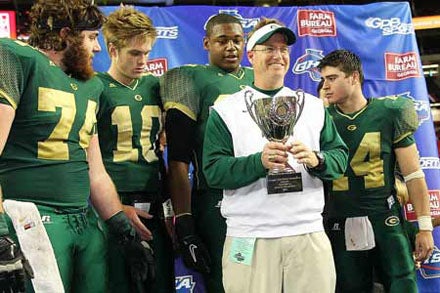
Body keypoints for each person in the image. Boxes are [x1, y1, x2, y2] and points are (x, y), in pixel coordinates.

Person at [0, 0, 153, 292]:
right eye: (92, 37)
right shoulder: (16, 58)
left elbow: (95, 171)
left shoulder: (90, 86)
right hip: (32, 217)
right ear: (65, 35)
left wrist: (122, 228)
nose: (97, 48)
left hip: (83, 221)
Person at [202, 18, 348, 293]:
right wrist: (259, 162)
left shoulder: (314, 107)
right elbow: (213, 170)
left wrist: (318, 160)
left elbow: (339, 157)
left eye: (283, 49)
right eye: (269, 48)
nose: (278, 55)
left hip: (306, 231)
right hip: (250, 235)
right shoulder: (226, 111)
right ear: (251, 54)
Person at [318, 49, 434, 293]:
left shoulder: (389, 112)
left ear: (353, 77)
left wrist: (424, 227)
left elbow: (413, 175)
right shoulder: (319, 118)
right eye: (323, 79)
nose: (325, 86)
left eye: (332, 78)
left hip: (385, 217)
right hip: (339, 219)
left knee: (403, 283)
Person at [160, 13, 253, 292]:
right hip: (216, 201)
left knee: (251, 277)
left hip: (256, 200)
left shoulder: (257, 79)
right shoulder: (189, 78)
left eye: (237, 40)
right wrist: (184, 219)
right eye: (222, 40)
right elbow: (178, 159)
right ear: (206, 43)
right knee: (223, 281)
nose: (231, 48)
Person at [97, 5, 173, 293]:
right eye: (135, 53)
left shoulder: (159, 86)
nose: (144, 60)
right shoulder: (94, 87)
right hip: (113, 204)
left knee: (160, 283)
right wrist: (113, 208)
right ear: (113, 49)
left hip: (154, 201)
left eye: (147, 52)